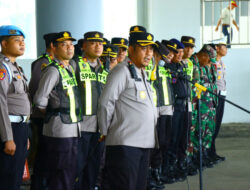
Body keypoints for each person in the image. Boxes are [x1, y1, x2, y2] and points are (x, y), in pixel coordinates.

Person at [98, 31, 157, 190]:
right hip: (125, 144)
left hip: (144, 143)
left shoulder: (142, 73)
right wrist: (105, 131)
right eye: (144, 49)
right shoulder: (121, 71)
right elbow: (105, 103)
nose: (149, 53)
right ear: (131, 49)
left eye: (151, 49)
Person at [34, 31, 82, 190]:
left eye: (71, 44)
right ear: (54, 47)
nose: (70, 48)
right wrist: (53, 114)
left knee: (69, 171)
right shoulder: (52, 70)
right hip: (59, 130)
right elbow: (40, 100)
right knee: (60, 172)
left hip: (73, 128)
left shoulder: (69, 68)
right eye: (64, 45)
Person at [73, 31, 106, 190]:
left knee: (94, 166)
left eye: (100, 43)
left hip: (99, 127)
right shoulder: (75, 64)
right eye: (93, 43)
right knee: (77, 167)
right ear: (84, 46)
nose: (98, 46)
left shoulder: (103, 68)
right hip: (81, 126)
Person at [0, 25, 30, 190]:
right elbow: (1, 103)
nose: (22, 44)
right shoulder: (2, 67)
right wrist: (8, 138)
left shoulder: (16, 67)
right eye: (17, 41)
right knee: (8, 176)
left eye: (23, 41)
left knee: (16, 175)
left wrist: (24, 135)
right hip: (9, 128)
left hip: (20, 127)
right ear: (4, 44)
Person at [29, 32, 57, 190]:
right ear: (53, 46)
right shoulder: (44, 63)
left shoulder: (53, 63)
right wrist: (47, 114)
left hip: (48, 118)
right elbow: (36, 91)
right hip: (42, 117)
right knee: (42, 155)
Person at [147, 41, 173, 190]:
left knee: (162, 141)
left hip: (160, 107)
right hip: (151, 109)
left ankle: (156, 171)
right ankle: (149, 174)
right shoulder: (149, 65)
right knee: (152, 143)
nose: (162, 60)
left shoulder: (157, 65)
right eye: (161, 57)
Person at [209, 40, 228, 163]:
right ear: (217, 48)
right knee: (212, 126)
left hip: (222, 96)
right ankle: (209, 153)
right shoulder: (213, 62)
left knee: (217, 125)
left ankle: (212, 152)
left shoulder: (221, 62)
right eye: (224, 47)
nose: (226, 49)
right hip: (215, 96)